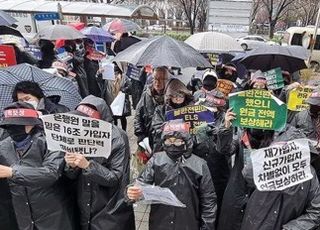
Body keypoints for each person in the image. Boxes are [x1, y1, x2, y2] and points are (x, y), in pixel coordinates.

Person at [216, 107, 320, 230]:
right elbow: (224, 149)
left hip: (266, 207)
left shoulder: (286, 141)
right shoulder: (242, 134)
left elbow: (315, 209)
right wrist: (226, 128)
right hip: (239, 191)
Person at [127, 120, 217, 230]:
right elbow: (141, 183)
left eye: (177, 141)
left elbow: (208, 201)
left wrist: (206, 227)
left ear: (186, 140)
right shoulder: (156, 160)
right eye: (169, 141)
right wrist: (132, 192)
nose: (173, 144)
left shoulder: (200, 165)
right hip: (160, 222)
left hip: (188, 223)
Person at [64, 95, 135, 230]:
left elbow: (115, 178)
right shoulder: (76, 135)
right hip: (84, 207)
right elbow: (70, 176)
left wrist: (88, 165)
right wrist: (71, 167)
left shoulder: (118, 138)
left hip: (110, 211)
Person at [0, 102, 74, 230]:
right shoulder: (4, 146)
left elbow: (51, 173)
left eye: (17, 125)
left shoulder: (51, 141)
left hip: (52, 213)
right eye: (9, 126)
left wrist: (13, 172)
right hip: (23, 216)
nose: (13, 129)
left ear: (31, 124)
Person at [152, 78, 193, 152]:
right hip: (166, 147)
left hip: (187, 147)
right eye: (175, 96)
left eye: (181, 96)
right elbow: (157, 128)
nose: (178, 99)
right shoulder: (160, 110)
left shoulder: (192, 109)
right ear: (169, 96)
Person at [134, 66, 169, 149]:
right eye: (155, 79)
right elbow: (138, 115)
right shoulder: (147, 94)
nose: (157, 82)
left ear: (167, 80)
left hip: (167, 141)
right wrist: (140, 135)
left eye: (161, 79)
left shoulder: (172, 95)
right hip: (148, 139)